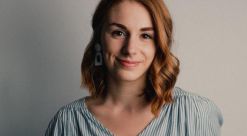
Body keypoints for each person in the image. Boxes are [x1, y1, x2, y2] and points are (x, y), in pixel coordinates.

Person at [45, 0, 223, 136]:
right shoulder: (67, 122)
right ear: (99, 40)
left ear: (159, 45)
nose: (130, 49)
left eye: (145, 35)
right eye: (119, 33)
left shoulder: (193, 113)